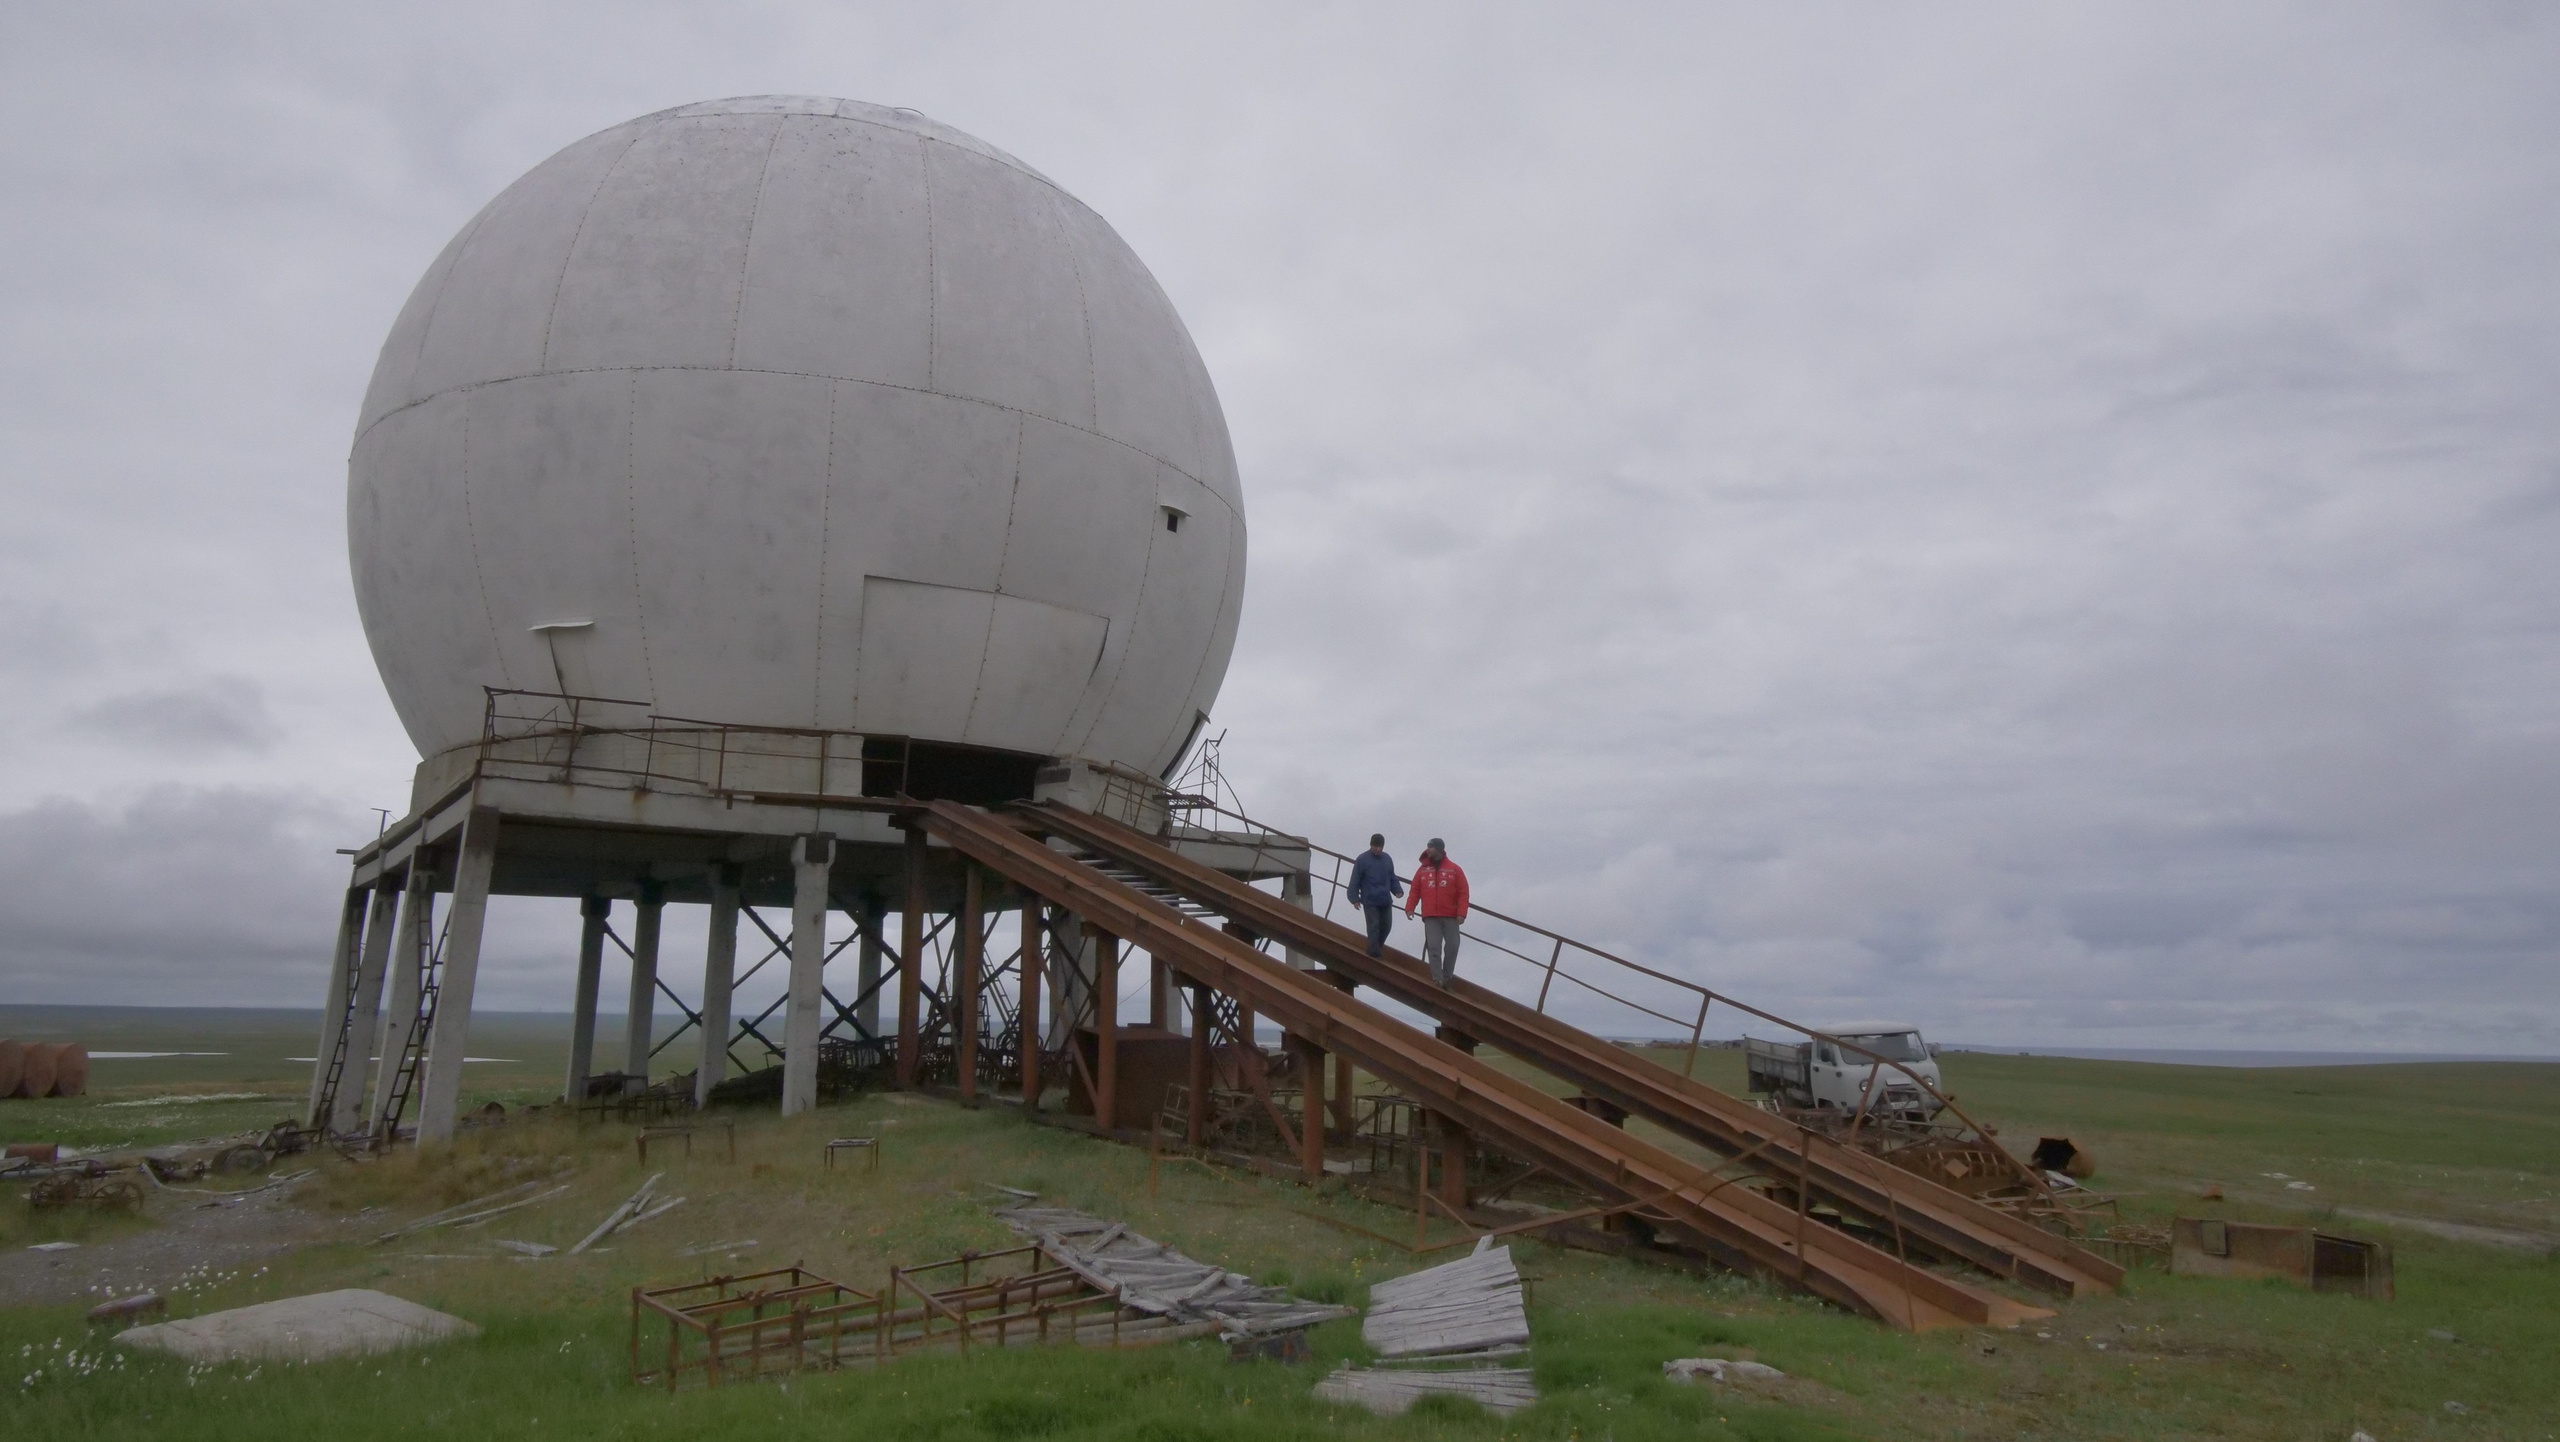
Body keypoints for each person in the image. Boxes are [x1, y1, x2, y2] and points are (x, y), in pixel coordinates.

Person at [1404, 837, 1470, 987]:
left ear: (1440, 849)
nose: (1428, 849)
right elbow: (1415, 890)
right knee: (1434, 947)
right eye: (1428, 846)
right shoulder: (1422, 870)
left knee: (1453, 946)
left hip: (1451, 916)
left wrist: (1461, 913)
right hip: (1430, 915)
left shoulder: (1454, 869)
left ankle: (1447, 977)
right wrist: (1409, 907)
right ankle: (1437, 978)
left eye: (1431, 847)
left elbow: (1463, 892)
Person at [1345, 834, 1404, 957]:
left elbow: (1392, 876)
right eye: (1376, 846)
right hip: (1370, 900)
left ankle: (1375, 946)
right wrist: (1354, 899)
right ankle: (1374, 953)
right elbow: (1355, 880)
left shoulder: (1387, 859)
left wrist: (1397, 890)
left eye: (1380, 846)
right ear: (1371, 845)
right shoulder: (1362, 859)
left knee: (1387, 927)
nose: (1378, 849)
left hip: (1385, 900)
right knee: (1374, 926)